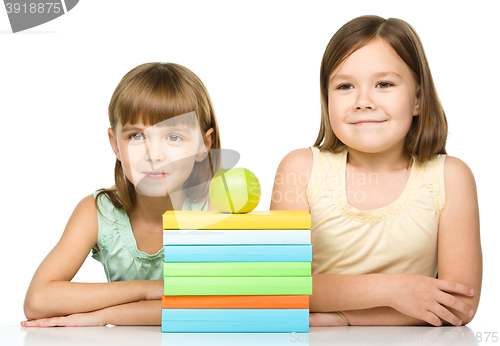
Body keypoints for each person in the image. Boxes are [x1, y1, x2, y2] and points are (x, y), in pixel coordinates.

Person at [271, 15, 482, 327]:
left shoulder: (451, 178)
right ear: (326, 99)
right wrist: (392, 290)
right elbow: (279, 286)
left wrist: (345, 317)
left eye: (384, 84)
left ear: (418, 99)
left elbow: (458, 305)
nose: (363, 101)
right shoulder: (300, 170)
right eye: (345, 86)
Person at [21, 62, 222, 327]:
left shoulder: (213, 210)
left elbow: (210, 306)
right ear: (115, 144)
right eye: (137, 136)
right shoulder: (97, 211)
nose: (154, 154)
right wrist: (147, 289)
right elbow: (38, 300)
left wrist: (104, 315)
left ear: (203, 145)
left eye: (173, 137)